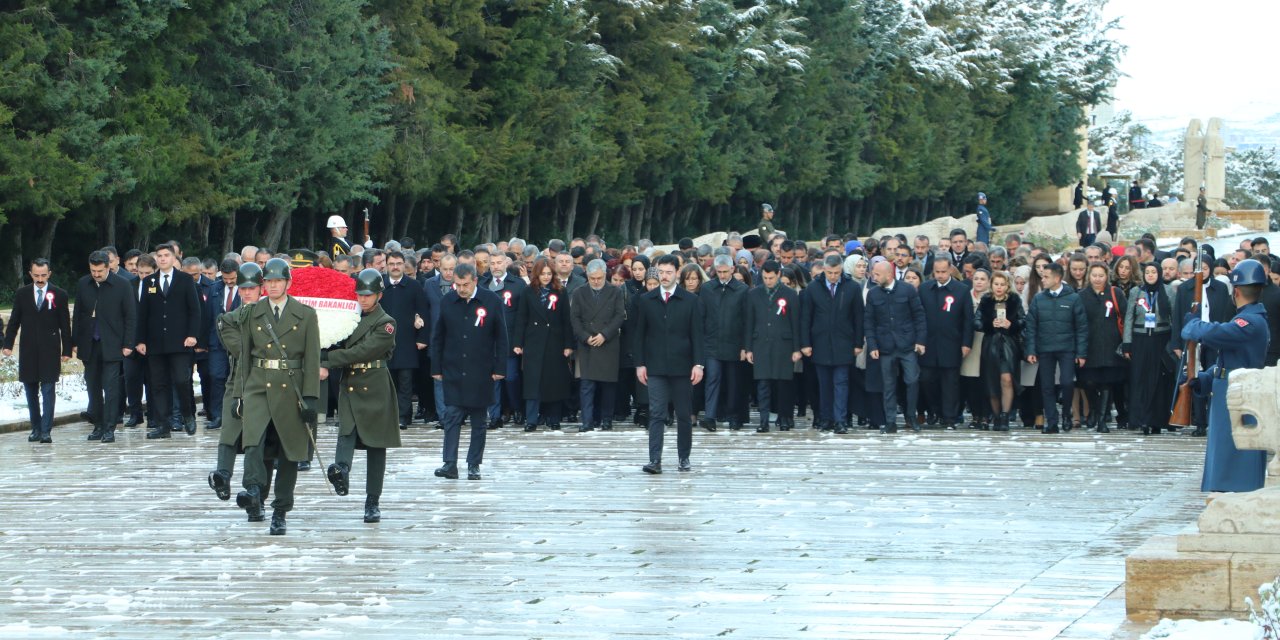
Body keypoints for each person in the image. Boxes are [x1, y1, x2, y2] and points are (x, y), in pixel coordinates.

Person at [232, 258, 321, 535]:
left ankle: (280, 509)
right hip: (258, 384)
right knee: (253, 441)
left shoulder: (305, 314)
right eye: (268, 281)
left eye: (278, 281)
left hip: (291, 387)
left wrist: (311, 399)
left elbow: (312, 359)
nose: (272, 286)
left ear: (288, 283)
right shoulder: (253, 313)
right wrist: (239, 394)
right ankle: (254, 490)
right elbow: (244, 358)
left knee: (288, 452)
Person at [1182, 259, 1270, 492]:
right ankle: (1224, 491)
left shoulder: (1250, 321)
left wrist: (1193, 326)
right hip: (1228, 390)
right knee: (1223, 449)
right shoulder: (1249, 317)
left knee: (1236, 453)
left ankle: (1236, 494)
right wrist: (1206, 378)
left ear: (1237, 290)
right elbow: (1229, 359)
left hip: (1239, 394)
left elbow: (1218, 333)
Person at [324, 269, 401, 523]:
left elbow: (362, 352)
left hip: (374, 384)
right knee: (346, 430)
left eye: (368, 295)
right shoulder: (349, 317)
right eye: (360, 294)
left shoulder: (386, 322)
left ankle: (372, 501)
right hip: (349, 382)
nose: (363, 299)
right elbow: (335, 340)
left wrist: (325, 360)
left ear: (379, 294)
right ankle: (341, 470)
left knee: (376, 445)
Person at [431, 263, 507, 480]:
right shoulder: (448, 301)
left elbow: (501, 337)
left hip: (481, 369)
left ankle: (474, 464)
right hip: (453, 367)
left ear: (475, 280)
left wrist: (500, 367)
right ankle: (449, 463)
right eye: (457, 284)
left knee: (478, 420)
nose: (461, 289)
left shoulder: (491, 301)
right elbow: (438, 336)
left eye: (465, 284)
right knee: (451, 417)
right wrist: (436, 367)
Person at [633, 255, 705, 474]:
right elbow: (639, 335)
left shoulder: (690, 300)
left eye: (668, 272)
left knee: (684, 414)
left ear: (677, 273)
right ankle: (654, 459)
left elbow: (697, 336)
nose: (664, 276)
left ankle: (684, 458)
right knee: (656, 413)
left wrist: (698, 364)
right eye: (661, 272)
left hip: (683, 366)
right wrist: (640, 364)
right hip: (655, 366)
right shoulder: (647, 300)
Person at [207, 263, 264, 507]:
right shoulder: (228, 319)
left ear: (261, 289)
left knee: (254, 437)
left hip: (264, 383)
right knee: (229, 430)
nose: (247, 292)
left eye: (252, 288)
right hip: (238, 380)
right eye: (243, 288)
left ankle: (252, 486)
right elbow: (241, 350)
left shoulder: (271, 316)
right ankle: (223, 474)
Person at [136, 243, 203, 438]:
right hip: (156, 342)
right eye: (160, 255)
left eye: (166, 255)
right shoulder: (149, 282)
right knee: (158, 384)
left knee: (182, 380)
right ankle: (162, 425)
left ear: (174, 258)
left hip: (180, 342)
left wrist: (192, 335)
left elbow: (194, 310)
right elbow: (143, 313)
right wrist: (140, 340)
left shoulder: (184, 280)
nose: (163, 258)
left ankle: (187, 415)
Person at [4, 258, 72, 443]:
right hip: (28, 350)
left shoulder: (59, 294)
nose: (40, 279)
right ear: (30, 274)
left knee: (49, 390)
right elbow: (14, 320)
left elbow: (65, 325)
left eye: (43, 275)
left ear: (49, 274)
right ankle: (35, 427)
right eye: (36, 275)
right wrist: (8, 344)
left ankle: (46, 430)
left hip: (50, 350)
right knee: (30, 391)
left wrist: (67, 349)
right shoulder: (22, 294)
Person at [72, 251, 136, 443]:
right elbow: (78, 314)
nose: (97, 274)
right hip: (90, 344)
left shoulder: (122, 285)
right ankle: (98, 425)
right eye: (93, 270)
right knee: (92, 386)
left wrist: (128, 343)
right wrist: (74, 341)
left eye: (100, 270)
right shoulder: (84, 283)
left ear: (109, 267)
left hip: (113, 344)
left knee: (111, 388)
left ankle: (109, 428)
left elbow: (130, 316)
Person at [1169, 253, 1235, 437]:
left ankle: (1213, 419)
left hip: (1213, 338)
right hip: (1193, 339)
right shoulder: (1184, 288)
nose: (1203, 272)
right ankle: (1199, 422)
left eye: (1206, 268)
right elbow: (1177, 316)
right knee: (1194, 378)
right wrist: (1177, 342)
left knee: (1213, 378)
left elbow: (1224, 314)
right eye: (1200, 269)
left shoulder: (1221, 288)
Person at [800, 254, 864, 433]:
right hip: (820, 343)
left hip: (844, 343)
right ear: (824, 270)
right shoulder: (813, 288)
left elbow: (859, 317)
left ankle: (840, 420)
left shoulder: (852, 287)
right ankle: (826, 418)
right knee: (824, 384)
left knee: (841, 383)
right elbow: (806, 318)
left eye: (836, 273)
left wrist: (858, 342)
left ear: (841, 270)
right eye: (829, 273)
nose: (833, 276)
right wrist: (805, 343)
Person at [864, 261, 927, 434]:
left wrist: (920, 340)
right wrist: (872, 345)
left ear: (889, 275)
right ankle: (890, 421)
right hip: (885, 346)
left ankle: (911, 416)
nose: (873, 277)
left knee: (912, 380)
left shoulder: (907, 290)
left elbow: (919, 316)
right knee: (888, 385)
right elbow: (869, 322)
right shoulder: (873, 294)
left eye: (877, 274)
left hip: (907, 344)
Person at [1025, 263, 1088, 433]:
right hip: (1045, 348)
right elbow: (1031, 326)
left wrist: (1081, 353)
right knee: (1046, 385)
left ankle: (1066, 413)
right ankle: (1051, 421)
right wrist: (1030, 350)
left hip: (1067, 347)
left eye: (1046, 277)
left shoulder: (1073, 298)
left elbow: (1081, 327)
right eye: (1042, 276)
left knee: (1067, 383)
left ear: (1057, 278)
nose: (1043, 280)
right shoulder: (1039, 299)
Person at [513, 258, 574, 431]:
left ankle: (554, 418)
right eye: (543, 274)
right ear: (536, 275)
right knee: (532, 382)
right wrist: (518, 342)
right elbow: (521, 318)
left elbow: (566, 320)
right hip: (533, 342)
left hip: (555, 341)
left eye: (549, 273)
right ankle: (531, 419)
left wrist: (568, 344)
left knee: (553, 381)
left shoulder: (560, 291)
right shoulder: (527, 292)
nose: (546, 277)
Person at [916, 257, 974, 429]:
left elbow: (967, 320)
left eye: (943, 272)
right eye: (937, 272)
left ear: (950, 270)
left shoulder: (961, 290)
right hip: (928, 343)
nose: (940, 275)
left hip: (952, 343)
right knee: (927, 379)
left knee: (950, 382)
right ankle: (935, 410)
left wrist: (966, 343)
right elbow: (918, 316)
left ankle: (949, 417)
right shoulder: (925, 288)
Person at [745, 261, 801, 432]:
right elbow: (749, 323)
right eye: (764, 278)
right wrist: (748, 348)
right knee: (763, 384)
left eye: (771, 277)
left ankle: (784, 418)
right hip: (760, 343)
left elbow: (796, 323)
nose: (768, 281)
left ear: (778, 275)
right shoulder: (754, 294)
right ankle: (763, 420)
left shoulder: (790, 294)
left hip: (783, 344)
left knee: (783, 383)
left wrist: (797, 348)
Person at [570, 259, 625, 432]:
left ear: (604, 276)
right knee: (587, 385)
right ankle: (587, 422)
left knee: (608, 385)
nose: (596, 281)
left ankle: (606, 419)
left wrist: (604, 334)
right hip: (587, 344)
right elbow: (575, 319)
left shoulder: (615, 291)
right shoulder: (579, 292)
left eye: (599, 278)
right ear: (587, 276)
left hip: (608, 343)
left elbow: (619, 316)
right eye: (592, 278)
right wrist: (586, 337)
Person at [1122, 263, 1176, 435]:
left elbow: (1174, 318)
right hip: (1140, 339)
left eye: (1154, 272)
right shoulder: (1136, 292)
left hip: (1161, 340)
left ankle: (1158, 420)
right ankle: (1141, 419)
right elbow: (1129, 317)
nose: (1151, 275)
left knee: (1160, 381)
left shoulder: (1168, 291)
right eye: (1147, 272)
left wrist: (1175, 343)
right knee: (1140, 379)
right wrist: (1127, 343)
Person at [380, 251, 430, 430]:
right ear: (386, 265)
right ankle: (388, 416)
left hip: (407, 341)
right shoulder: (380, 285)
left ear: (404, 265)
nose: (395, 267)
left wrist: (423, 338)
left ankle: (403, 416)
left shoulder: (414, 286)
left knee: (406, 382)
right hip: (383, 342)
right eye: (391, 263)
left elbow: (423, 311)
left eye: (398, 263)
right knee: (387, 382)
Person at [700, 255, 750, 431]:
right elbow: (701, 317)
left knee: (734, 382)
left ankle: (735, 416)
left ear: (732, 269)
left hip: (734, 345)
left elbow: (746, 321)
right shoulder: (707, 289)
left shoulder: (742, 290)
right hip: (712, 343)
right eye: (719, 272)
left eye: (725, 272)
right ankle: (710, 416)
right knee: (712, 379)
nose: (722, 275)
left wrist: (745, 346)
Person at [1077, 264, 1127, 433]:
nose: (1097, 279)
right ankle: (1093, 408)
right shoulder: (1082, 296)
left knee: (1106, 383)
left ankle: (1101, 419)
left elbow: (1125, 317)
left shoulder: (1116, 293)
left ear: (1107, 276)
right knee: (1089, 382)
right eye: (1094, 275)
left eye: (1101, 275)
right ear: (1089, 276)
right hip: (1089, 346)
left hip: (1110, 345)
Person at [482, 251, 526, 429]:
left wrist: (519, 342)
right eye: (492, 263)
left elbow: (523, 316)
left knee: (511, 378)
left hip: (510, 341)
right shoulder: (483, 284)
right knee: (493, 380)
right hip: (488, 341)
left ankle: (517, 408)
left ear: (506, 264)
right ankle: (495, 416)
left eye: (499, 263)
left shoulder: (517, 284)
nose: (496, 266)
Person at [976, 271, 1023, 431]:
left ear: (1007, 286)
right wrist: (989, 324)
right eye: (996, 284)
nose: (999, 287)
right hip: (990, 344)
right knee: (991, 382)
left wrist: (1012, 324)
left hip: (1009, 344)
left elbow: (1023, 320)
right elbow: (976, 321)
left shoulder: (1015, 300)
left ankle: (1005, 415)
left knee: (1007, 379)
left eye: (1002, 284)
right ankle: (996, 416)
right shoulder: (986, 300)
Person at [203, 259, 243, 431]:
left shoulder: (246, 289)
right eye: (225, 278)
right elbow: (207, 316)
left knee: (237, 379)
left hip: (239, 342)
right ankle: (218, 415)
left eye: (232, 279)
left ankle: (237, 414)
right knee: (217, 377)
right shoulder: (214, 288)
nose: (228, 282)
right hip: (217, 343)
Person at [960, 269, 989, 429]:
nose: (978, 282)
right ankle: (975, 415)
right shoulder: (965, 296)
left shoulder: (992, 298)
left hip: (986, 341)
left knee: (985, 381)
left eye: (982, 279)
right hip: (970, 342)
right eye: (976, 278)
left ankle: (985, 415)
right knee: (970, 381)